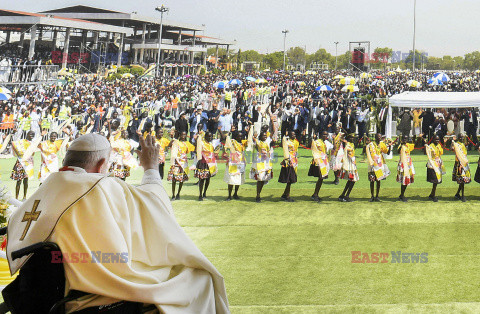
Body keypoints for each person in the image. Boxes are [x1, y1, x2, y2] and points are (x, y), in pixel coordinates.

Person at [6, 133, 229, 313]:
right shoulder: (101, 185)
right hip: (91, 292)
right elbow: (155, 208)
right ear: (103, 163)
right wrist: (151, 168)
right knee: (200, 279)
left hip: (40, 293)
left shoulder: (43, 189)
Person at [167, 131, 195, 200]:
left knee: (181, 179)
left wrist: (196, 139)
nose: (183, 136)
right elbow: (169, 146)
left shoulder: (187, 143)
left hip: (183, 163)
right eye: (182, 134)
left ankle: (178, 194)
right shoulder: (176, 142)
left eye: (185, 134)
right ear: (180, 135)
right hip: (176, 162)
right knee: (174, 179)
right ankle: (173, 194)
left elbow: (194, 148)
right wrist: (173, 139)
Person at [10, 131, 36, 200]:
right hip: (20, 163)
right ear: (27, 134)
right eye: (30, 134)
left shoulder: (32, 144)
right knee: (19, 181)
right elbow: (14, 144)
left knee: (26, 181)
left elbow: (33, 154)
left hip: (28, 164)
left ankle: (24, 197)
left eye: (33, 135)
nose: (31, 136)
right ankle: (16, 197)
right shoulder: (21, 142)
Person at [365, 133, 392, 202]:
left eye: (380, 137)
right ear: (375, 137)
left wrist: (390, 147)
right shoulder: (371, 145)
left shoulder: (382, 144)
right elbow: (368, 152)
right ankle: (372, 196)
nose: (379, 138)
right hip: (372, 164)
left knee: (378, 180)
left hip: (379, 165)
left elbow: (387, 153)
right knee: (372, 181)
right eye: (378, 137)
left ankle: (377, 196)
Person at [194, 131, 219, 201]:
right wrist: (198, 137)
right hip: (202, 163)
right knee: (202, 179)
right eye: (208, 136)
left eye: (211, 136)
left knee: (208, 179)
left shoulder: (211, 144)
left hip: (210, 164)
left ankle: (205, 193)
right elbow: (198, 148)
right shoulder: (201, 143)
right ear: (205, 137)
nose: (210, 137)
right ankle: (200, 194)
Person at [249, 131, 273, 203]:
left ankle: (259, 194)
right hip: (259, 162)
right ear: (260, 136)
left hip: (266, 162)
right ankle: (258, 195)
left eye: (266, 136)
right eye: (263, 136)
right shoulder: (258, 142)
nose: (265, 137)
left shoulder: (267, 142)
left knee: (263, 179)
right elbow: (252, 140)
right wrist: (254, 135)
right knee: (260, 179)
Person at [224, 131, 247, 201]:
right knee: (231, 179)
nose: (240, 138)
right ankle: (229, 195)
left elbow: (249, 141)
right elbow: (225, 142)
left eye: (241, 136)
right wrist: (227, 135)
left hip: (240, 163)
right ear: (235, 136)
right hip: (232, 163)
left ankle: (235, 193)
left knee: (238, 179)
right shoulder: (232, 142)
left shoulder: (243, 143)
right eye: (238, 136)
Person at [308, 131, 331, 202]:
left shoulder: (325, 142)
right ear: (321, 135)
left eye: (326, 134)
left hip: (323, 162)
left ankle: (316, 194)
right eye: (324, 134)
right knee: (320, 177)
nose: (325, 136)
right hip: (318, 162)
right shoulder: (317, 142)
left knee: (321, 179)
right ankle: (315, 194)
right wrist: (312, 140)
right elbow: (312, 148)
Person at [278, 131, 299, 202]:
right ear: (289, 135)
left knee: (291, 179)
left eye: (294, 134)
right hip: (288, 161)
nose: (294, 135)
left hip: (294, 160)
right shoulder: (287, 142)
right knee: (289, 179)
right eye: (292, 134)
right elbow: (284, 149)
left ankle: (285, 194)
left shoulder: (296, 142)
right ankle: (287, 196)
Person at [338, 134, 359, 202]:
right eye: (351, 137)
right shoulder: (347, 144)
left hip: (351, 163)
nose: (352, 139)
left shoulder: (351, 144)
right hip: (349, 164)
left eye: (353, 137)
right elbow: (350, 154)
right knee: (352, 180)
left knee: (350, 180)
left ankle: (343, 195)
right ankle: (346, 196)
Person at [424, 135, 445, 202]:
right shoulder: (430, 146)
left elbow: (441, 153)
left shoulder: (439, 145)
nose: (437, 141)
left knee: (436, 181)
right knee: (435, 180)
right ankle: (433, 195)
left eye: (438, 139)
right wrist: (425, 146)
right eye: (436, 139)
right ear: (433, 140)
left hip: (438, 164)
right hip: (432, 165)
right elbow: (426, 153)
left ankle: (432, 194)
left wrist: (444, 143)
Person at [451, 134, 471, 202]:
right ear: (458, 138)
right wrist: (452, 142)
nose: (461, 138)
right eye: (460, 137)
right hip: (459, 163)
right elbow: (452, 149)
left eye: (462, 137)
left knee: (462, 180)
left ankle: (458, 194)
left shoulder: (462, 144)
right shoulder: (457, 144)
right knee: (462, 180)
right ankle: (462, 195)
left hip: (464, 163)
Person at [397, 135, 415, 202]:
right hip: (403, 163)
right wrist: (401, 145)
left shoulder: (408, 145)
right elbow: (398, 151)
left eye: (406, 139)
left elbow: (414, 146)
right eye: (404, 139)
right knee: (404, 179)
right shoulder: (401, 146)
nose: (405, 140)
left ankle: (402, 195)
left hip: (408, 163)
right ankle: (402, 195)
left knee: (407, 179)